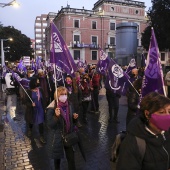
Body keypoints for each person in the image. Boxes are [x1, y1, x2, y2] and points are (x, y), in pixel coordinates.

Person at [117, 92, 170, 170]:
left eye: (169, 111)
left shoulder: (167, 133)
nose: (167, 116)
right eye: (161, 112)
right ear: (147, 114)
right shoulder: (133, 142)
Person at [46, 86, 79, 170]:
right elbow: (49, 125)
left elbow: (71, 121)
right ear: (57, 96)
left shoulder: (69, 104)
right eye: (61, 94)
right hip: (57, 138)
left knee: (71, 160)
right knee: (57, 161)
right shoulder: (51, 108)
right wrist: (56, 117)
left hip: (69, 136)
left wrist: (74, 118)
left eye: (65, 94)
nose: (64, 96)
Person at [25, 76, 46, 143]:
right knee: (32, 121)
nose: (38, 82)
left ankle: (41, 136)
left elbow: (44, 99)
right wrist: (31, 104)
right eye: (37, 81)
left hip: (40, 109)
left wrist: (45, 107)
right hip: (32, 110)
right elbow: (25, 101)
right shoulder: (28, 91)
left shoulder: (40, 90)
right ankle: (30, 129)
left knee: (41, 122)